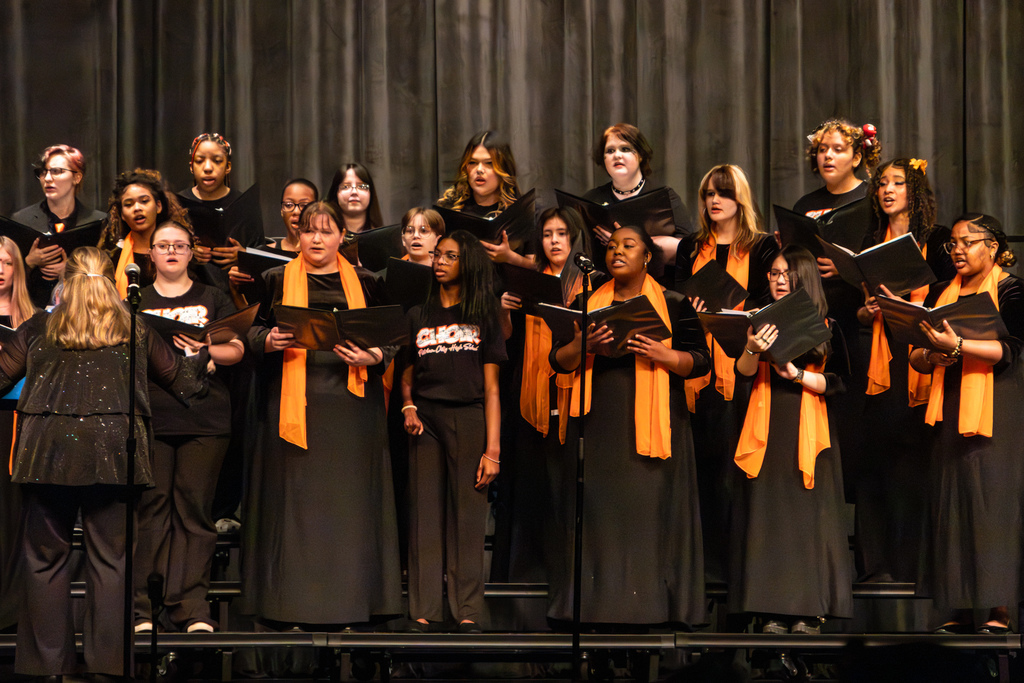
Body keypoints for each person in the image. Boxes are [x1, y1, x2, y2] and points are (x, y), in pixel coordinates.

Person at [0, 247, 207, 678]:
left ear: (64, 283)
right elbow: (187, 386)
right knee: (112, 562)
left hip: (47, 451)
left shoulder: (40, 325)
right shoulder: (134, 326)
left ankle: (45, 668)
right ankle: (108, 668)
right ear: (112, 281)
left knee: (43, 560)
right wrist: (198, 355)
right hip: (116, 451)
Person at [243, 201, 401, 627]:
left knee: (348, 506)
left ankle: (351, 602)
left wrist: (374, 355)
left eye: (326, 232)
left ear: (340, 238)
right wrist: (267, 342)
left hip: (352, 410)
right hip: (296, 406)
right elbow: (251, 332)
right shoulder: (275, 279)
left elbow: (392, 339)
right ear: (297, 236)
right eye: (309, 231)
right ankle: (291, 604)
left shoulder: (367, 282)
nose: (316, 239)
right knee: (297, 508)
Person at [548, 225, 709, 627]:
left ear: (648, 256)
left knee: (648, 516)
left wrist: (664, 355)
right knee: (599, 516)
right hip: (600, 423)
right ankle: (594, 609)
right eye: (612, 246)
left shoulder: (672, 302)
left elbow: (700, 361)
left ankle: (651, 609)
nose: (617, 251)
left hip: (654, 427)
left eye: (628, 245)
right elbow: (559, 361)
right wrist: (583, 346)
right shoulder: (586, 300)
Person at [908, 214, 1024, 635]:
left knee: (992, 503)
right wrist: (932, 356)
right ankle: (957, 607)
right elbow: (916, 353)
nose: (956, 250)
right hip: (951, 406)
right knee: (953, 501)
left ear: (992, 247)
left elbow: (1010, 349)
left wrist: (956, 344)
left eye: (967, 242)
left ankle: (999, 607)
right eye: (952, 244)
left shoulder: (1011, 289)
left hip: (998, 405)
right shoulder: (942, 293)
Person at [730, 245, 852, 634]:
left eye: (787, 274)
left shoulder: (828, 324)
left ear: (805, 278)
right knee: (769, 517)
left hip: (808, 426)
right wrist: (752, 347)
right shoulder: (758, 320)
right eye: (773, 274)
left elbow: (840, 382)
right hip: (767, 426)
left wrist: (797, 374)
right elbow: (743, 372)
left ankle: (807, 610)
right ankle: (768, 610)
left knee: (806, 518)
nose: (779, 280)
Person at [133, 221, 244, 634]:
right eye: (164, 246)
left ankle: (191, 609)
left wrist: (208, 350)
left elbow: (237, 349)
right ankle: (143, 611)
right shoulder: (137, 301)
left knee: (194, 514)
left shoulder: (212, 297)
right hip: (153, 417)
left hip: (205, 417)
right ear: (152, 255)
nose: (172, 251)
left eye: (180, 245)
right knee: (152, 510)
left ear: (191, 252)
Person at [673, 163, 778, 583]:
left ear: (740, 200)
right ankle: (706, 571)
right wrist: (690, 308)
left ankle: (741, 572)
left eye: (723, 193)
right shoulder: (689, 247)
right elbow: (677, 302)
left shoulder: (763, 246)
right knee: (703, 473)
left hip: (744, 368)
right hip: (698, 366)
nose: (714, 201)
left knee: (736, 477)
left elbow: (771, 302)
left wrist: (735, 312)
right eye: (708, 195)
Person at [854, 158, 954, 583]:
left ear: (915, 190)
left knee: (913, 459)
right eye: (882, 184)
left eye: (897, 183)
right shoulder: (871, 240)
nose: (887, 190)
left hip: (923, 351)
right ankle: (874, 566)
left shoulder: (939, 239)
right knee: (877, 457)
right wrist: (868, 309)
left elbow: (954, 296)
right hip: (880, 355)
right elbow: (857, 312)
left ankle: (912, 566)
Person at [401, 230, 506, 632]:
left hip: (469, 416)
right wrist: (408, 405)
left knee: (467, 517)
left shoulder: (483, 314)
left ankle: (468, 611)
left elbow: (493, 388)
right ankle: (424, 610)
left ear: (468, 264)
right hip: (424, 420)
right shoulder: (418, 315)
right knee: (424, 515)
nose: (439, 261)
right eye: (437, 255)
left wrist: (492, 449)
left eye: (450, 256)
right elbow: (407, 373)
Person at [494, 207, 593, 628]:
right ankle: (521, 617)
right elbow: (504, 342)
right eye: (548, 234)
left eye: (563, 234)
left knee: (568, 505)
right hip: (529, 402)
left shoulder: (591, 285)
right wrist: (503, 308)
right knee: (530, 505)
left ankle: (571, 604)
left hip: (577, 407)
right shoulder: (525, 284)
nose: (555, 241)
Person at [12, 144, 108, 307]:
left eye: (57, 171)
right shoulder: (22, 219)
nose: (48, 178)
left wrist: (71, 271)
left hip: (80, 309)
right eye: (43, 172)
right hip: (30, 310)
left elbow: (105, 276)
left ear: (77, 177)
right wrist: (29, 262)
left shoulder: (96, 221)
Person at [583, 123, 693, 264]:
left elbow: (688, 248)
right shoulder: (591, 200)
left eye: (625, 149)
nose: (617, 155)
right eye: (610, 151)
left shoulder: (663, 196)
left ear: (640, 155)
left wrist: (624, 241)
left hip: (657, 282)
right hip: (604, 283)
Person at [0, 237, 36, 631]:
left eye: (6, 263)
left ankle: (12, 614)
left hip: (19, 419)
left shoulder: (34, 317)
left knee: (16, 517)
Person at [99, 168, 193, 298]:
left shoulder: (179, 251)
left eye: (144, 201)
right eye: (128, 204)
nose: (137, 208)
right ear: (122, 215)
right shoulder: (112, 259)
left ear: (158, 206)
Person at [180, 133, 265, 273]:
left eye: (217, 161)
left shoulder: (245, 204)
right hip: (189, 286)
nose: (208, 168)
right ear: (191, 166)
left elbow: (260, 252)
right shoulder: (177, 204)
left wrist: (244, 255)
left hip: (235, 287)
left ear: (228, 167)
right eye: (200, 161)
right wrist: (186, 251)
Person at [274, 178, 319, 253]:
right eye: (289, 205)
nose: (296, 211)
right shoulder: (265, 253)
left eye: (304, 205)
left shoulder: (327, 255)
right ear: (282, 211)